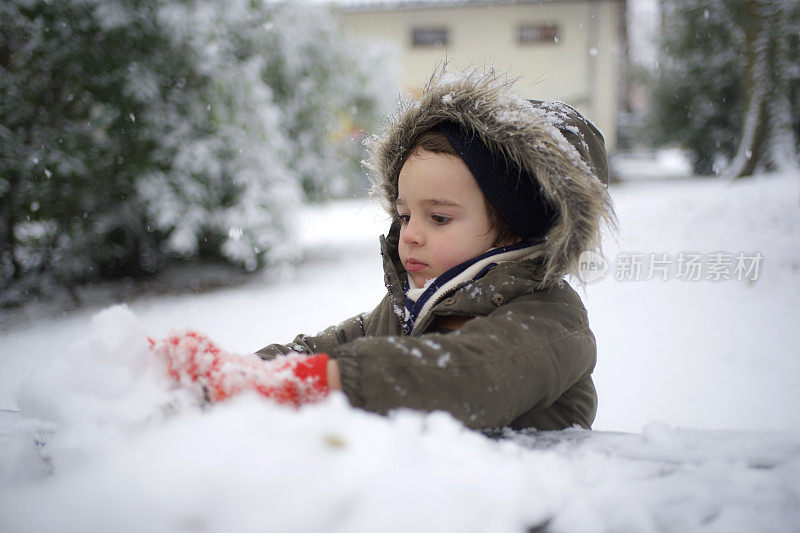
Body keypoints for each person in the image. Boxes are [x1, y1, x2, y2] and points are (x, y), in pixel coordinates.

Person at [151, 68, 616, 431]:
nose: (410, 234)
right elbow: (325, 348)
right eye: (405, 214)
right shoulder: (406, 310)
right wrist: (241, 372)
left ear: (516, 231)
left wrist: (319, 383)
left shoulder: (551, 319)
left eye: (439, 218)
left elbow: (468, 376)